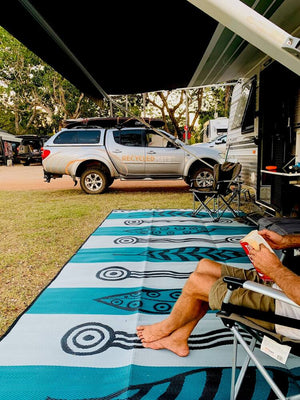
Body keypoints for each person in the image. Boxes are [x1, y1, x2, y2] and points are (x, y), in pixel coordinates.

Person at [136, 229, 300, 357]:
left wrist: (275, 269)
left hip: (285, 313)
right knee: (205, 266)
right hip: (286, 286)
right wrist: (287, 241)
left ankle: (164, 328)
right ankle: (179, 339)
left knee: (197, 283)